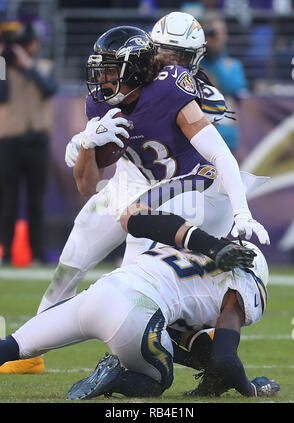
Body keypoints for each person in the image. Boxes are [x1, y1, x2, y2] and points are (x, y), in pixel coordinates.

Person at [0, 19, 268, 373]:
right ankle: (30, 349)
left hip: (178, 192)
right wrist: (84, 144)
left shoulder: (184, 89)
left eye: (181, 54)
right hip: (127, 183)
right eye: (168, 51)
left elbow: (220, 155)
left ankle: (165, 352)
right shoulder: (102, 99)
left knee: (139, 286)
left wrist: (240, 211)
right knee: (71, 262)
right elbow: (85, 183)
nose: (173, 59)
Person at [0, 241, 279, 399]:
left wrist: (208, 374)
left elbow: (187, 343)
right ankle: (115, 379)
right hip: (136, 309)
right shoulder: (242, 285)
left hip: (96, 294)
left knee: (15, 345)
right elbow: (224, 358)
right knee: (158, 382)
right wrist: (249, 388)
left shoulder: (186, 255)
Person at [0, 21, 57, 265]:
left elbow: (49, 89)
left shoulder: (44, 66)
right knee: (7, 200)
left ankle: (37, 253)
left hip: (38, 141)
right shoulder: (2, 67)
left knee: (36, 201)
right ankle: (7, 254)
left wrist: (28, 65)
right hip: (10, 140)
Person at [201, 16, 248, 153]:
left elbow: (235, 88)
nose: (218, 37)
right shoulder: (194, 64)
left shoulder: (233, 65)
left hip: (227, 134)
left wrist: (215, 59)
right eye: (213, 33)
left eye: (222, 33)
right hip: (202, 134)